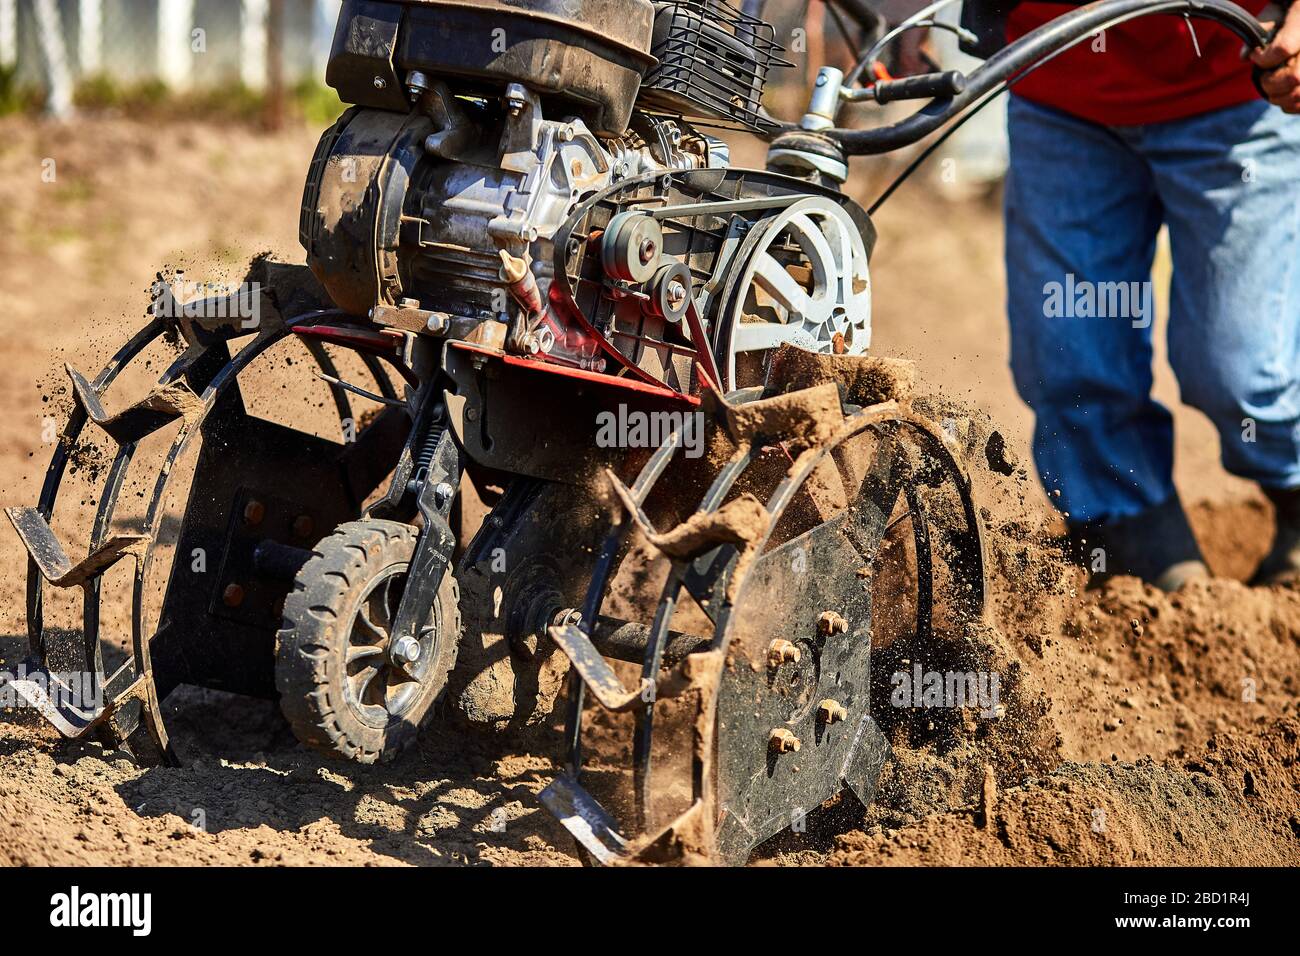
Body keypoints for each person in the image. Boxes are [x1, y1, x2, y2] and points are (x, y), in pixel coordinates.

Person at [960, 0, 1300, 589]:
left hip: (1238, 84)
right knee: (1070, 359)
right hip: (1058, 83)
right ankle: (1136, 547)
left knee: (1238, 371)